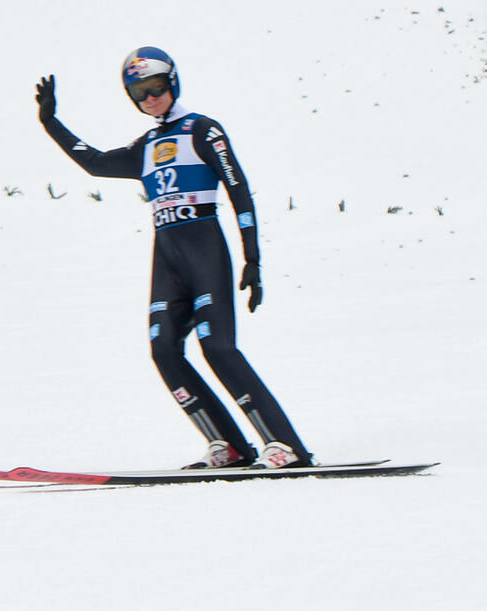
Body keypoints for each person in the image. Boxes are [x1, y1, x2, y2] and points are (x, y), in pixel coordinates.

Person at [35, 48, 312, 471]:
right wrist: (51, 122)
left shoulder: (203, 130)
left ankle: (285, 445)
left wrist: (252, 259)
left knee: (217, 348)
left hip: (204, 250)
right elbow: (94, 162)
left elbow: (239, 191)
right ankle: (229, 446)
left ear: (174, 82)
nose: (150, 98)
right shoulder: (146, 145)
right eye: (139, 92)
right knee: (163, 350)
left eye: (156, 87)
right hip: (167, 258)